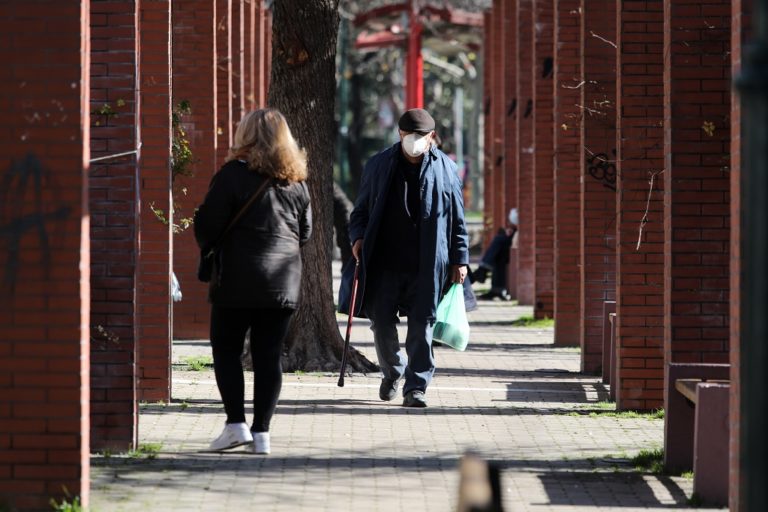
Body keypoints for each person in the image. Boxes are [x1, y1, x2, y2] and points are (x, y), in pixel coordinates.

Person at [194, 109, 312, 454]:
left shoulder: (231, 176)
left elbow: (208, 230)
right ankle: (262, 434)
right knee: (268, 356)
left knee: (227, 350)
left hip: (236, 281)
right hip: (282, 283)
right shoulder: (296, 183)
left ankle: (235, 425)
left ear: (244, 136)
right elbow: (304, 233)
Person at [339, 108, 469, 408]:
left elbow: (457, 221)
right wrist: (357, 238)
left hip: (427, 264)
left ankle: (416, 387)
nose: (415, 141)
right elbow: (359, 212)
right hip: (384, 263)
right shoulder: (379, 164)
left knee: (422, 327)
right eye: (410, 135)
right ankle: (393, 370)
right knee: (381, 323)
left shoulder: (446, 169)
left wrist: (459, 259)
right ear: (399, 135)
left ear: (431, 137)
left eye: (421, 136)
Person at [470, 208, 518, 301]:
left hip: (518, 247)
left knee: (499, 241)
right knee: (499, 257)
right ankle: (496, 290)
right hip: (509, 248)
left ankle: (482, 270)